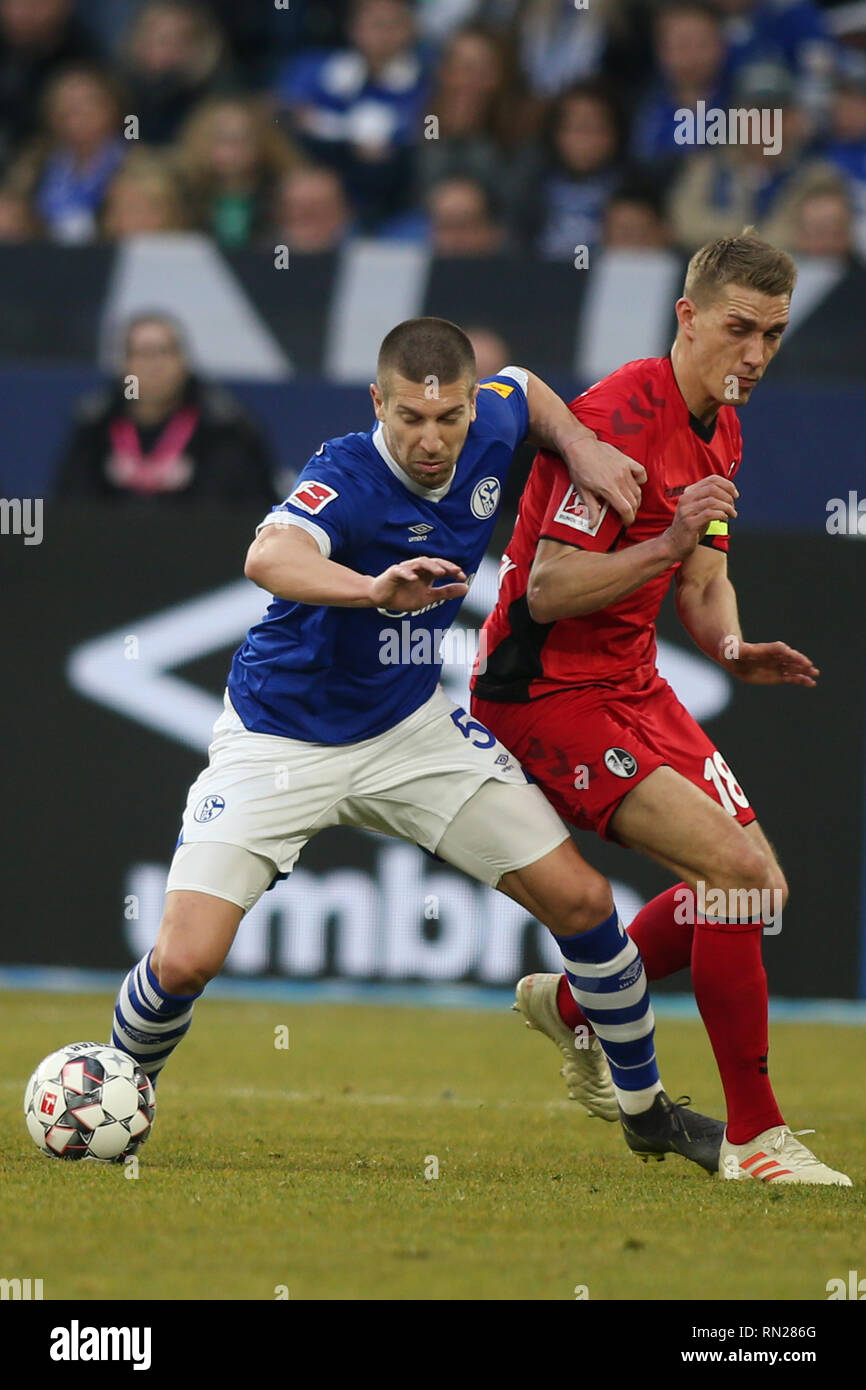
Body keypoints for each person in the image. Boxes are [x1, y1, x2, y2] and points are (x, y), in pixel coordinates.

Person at [107, 315, 725, 1174]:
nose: (431, 441)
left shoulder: (494, 417)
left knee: (584, 904)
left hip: (409, 731)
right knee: (185, 957)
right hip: (278, 737)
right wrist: (371, 591)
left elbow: (530, 393)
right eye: (409, 419)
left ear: (471, 405)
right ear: (378, 404)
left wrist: (581, 447)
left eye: (449, 418)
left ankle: (646, 1110)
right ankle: (113, 1089)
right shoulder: (344, 475)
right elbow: (269, 555)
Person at [470, 233, 850, 1185]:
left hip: (633, 680)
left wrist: (728, 643)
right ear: (688, 319)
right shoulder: (617, 417)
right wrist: (667, 539)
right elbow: (549, 589)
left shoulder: (724, 421)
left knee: (757, 886)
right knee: (728, 873)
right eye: (739, 330)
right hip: (546, 689)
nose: (756, 355)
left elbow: (704, 576)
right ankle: (755, 1138)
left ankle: (572, 1005)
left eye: (773, 334)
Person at [55, 312, 278, 504]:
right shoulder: (94, 427)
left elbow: (252, 513)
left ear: (185, 361)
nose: (154, 366)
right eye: (142, 353)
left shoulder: (225, 429)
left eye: (165, 352)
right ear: (123, 364)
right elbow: (70, 508)